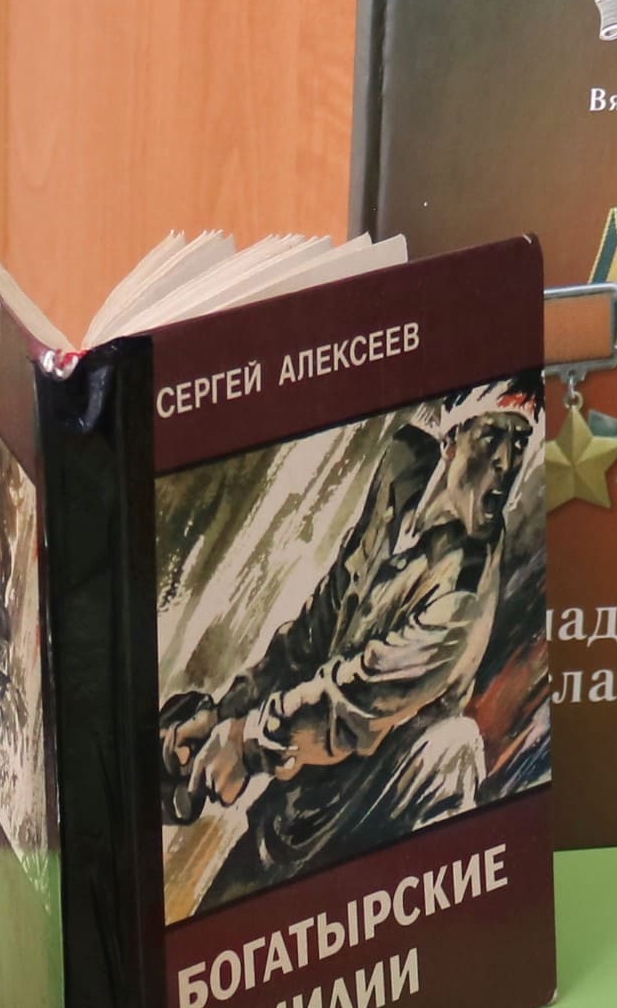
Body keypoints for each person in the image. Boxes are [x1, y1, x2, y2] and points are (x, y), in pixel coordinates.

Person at [157, 387, 537, 911]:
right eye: (491, 435)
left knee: (452, 745)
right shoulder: (402, 470)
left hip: (375, 825)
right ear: (451, 437)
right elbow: (319, 624)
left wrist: (247, 743)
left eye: (520, 442)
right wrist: (225, 713)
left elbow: (354, 701)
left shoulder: (464, 596)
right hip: (295, 813)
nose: (506, 462)